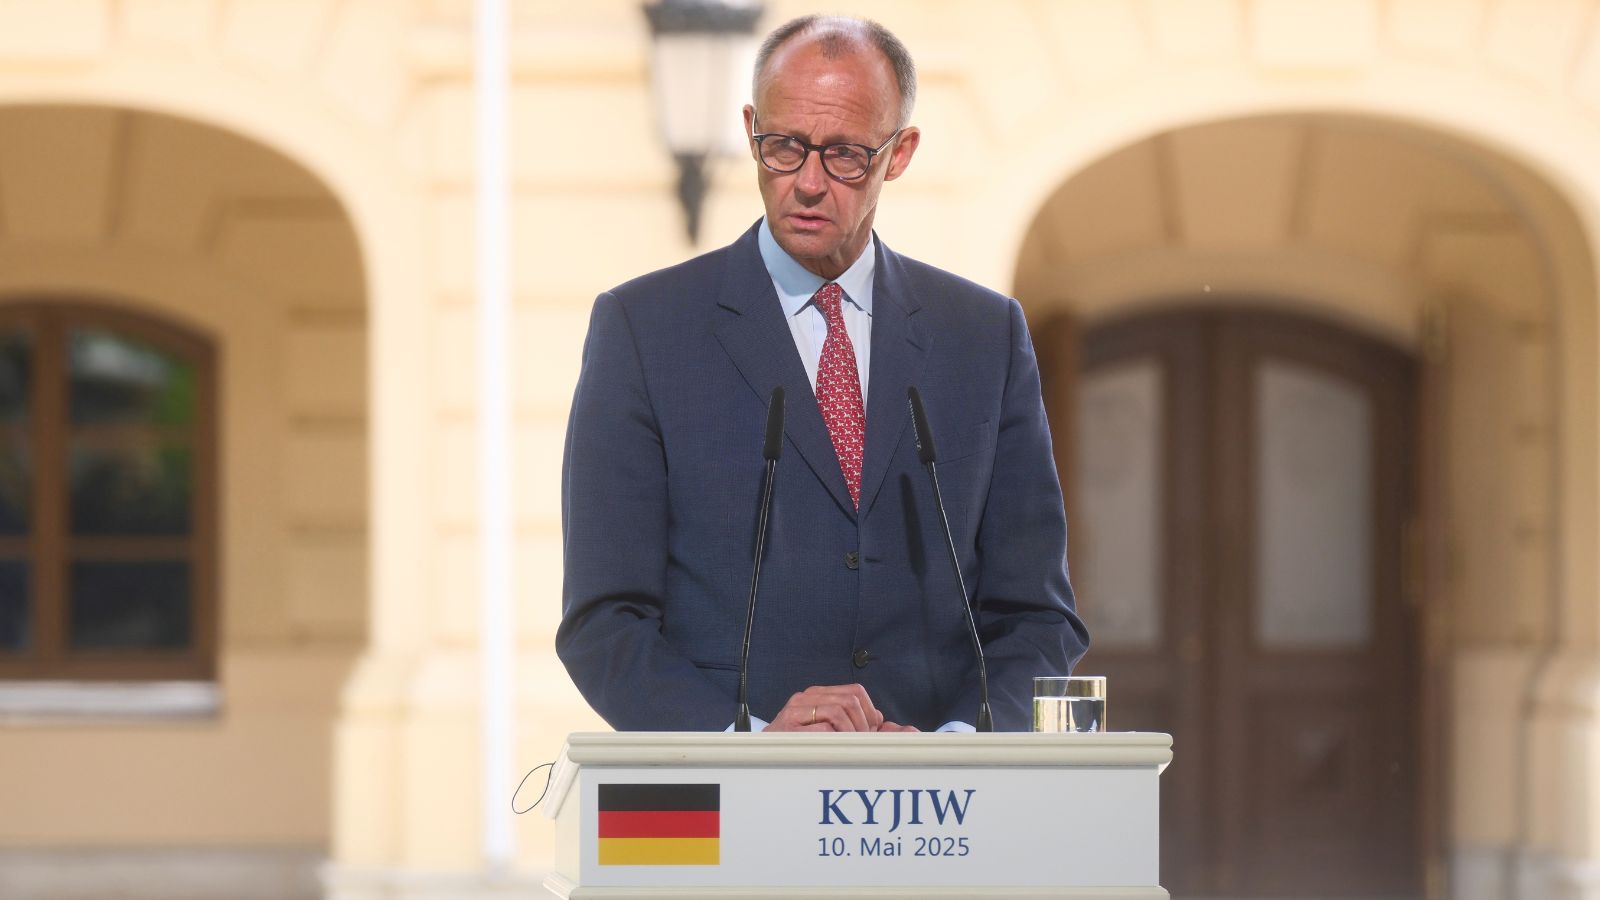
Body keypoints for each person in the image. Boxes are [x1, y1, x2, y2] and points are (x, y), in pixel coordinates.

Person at [557, 14, 1087, 733]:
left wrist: (956, 747)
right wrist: (749, 747)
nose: (807, 183)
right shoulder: (644, 330)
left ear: (899, 153)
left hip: (942, 793)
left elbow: (1037, 617)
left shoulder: (984, 337)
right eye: (783, 147)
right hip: (729, 789)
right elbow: (604, 623)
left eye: (844, 155)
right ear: (750, 131)